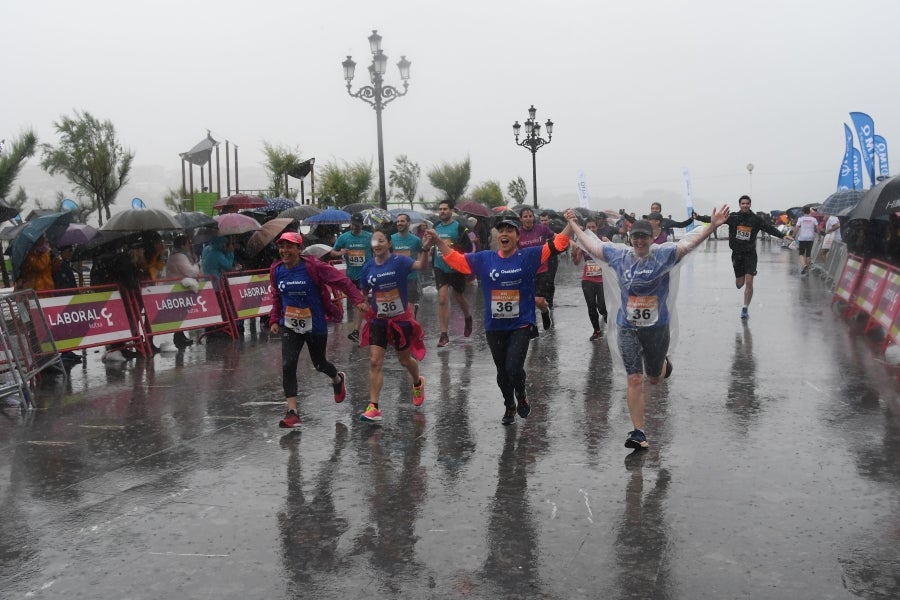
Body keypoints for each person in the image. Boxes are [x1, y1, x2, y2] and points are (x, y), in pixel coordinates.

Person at [565, 205, 731, 450]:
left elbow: (689, 244)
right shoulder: (619, 256)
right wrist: (574, 225)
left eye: (644, 237)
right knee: (635, 378)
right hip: (628, 328)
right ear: (630, 239)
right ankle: (638, 432)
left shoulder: (663, 255)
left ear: (652, 239)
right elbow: (592, 246)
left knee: (653, 378)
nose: (639, 241)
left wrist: (712, 225)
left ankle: (664, 365)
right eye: (635, 237)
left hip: (656, 328)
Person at [424, 216, 570, 426]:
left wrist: (570, 224)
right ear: (496, 236)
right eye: (501, 231)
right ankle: (509, 404)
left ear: (517, 237)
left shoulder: (528, 256)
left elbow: (558, 244)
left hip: (520, 323)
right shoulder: (485, 258)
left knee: (514, 368)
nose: (504, 234)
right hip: (495, 326)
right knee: (502, 373)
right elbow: (457, 260)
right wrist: (438, 241)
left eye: (510, 230)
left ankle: (521, 394)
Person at [268, 232, 368, 429]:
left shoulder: (313, 267)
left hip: (314, 324)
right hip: (290, 325)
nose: (284, 251)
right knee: (288, 365)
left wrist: (357, 300)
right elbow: (277, 296)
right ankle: (292, 412)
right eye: (281, 247)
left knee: (320, 364)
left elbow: (342, 281)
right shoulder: (276, 270)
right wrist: (274, 319)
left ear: (299, 249)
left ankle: (337, 379)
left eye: (289, 247)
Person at [357, 229, 430, 424]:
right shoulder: (368, 267)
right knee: (375, 361)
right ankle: (374, 407)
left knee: (404, 360)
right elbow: (362, 293)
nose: (377, 244)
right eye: (374, 241)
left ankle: (417, 382)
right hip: (379, 319)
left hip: (400, 319)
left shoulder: (400, 261)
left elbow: (421, 266)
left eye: (381, 240)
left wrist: (425, 249)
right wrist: (362, 302)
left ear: (389, 243)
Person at [695, 195, 792, 319]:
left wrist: (782, 236)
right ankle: (740, 281)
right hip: (737, 255)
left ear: (750, 205)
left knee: (749, 282)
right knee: (740, 283)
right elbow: (714, 219)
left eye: (747, 203)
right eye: (743, 203)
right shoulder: (733, 217)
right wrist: (698, 217)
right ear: (740, 205)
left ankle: (745, 308)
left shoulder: (756, 219)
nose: (745, 205)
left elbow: (769, 228)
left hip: (750, 254)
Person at [430, 200, 474, 347]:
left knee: (459, 297)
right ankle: (444, 335)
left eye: (445, 209)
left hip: (455, 268)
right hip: (440, 267)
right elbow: (431, 243)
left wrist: (454, 247)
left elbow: (468, 247)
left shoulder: (459, 228)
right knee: (442, 299)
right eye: (440, 209)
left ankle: (467, 317)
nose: (442, 211)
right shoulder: (436, 226)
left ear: (451, 211)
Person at [332, 212, 372, 343]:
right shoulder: (344, 237)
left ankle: (356, 331)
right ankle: (373, 323)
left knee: (361, 301)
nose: (355, 227)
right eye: (353, 225)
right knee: (359, 304)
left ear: (362, 225)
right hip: (351, 276)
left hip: (366, 275)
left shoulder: (369, 237)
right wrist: (340, 253)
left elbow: (379, 249)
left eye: (358, 225)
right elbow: (333, 251)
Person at [517, 207, 555, 330]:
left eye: (530, 216)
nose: (528, 219)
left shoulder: (542, 229)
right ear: (520, 219)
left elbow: (556, 237)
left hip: (541, 270)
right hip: (526, 272)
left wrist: (570, 242)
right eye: (525, 216)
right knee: (527, 301)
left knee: (538, 301)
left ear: (534, 217)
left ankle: (545, 311)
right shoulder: (517, 233)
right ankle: (532, 326)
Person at [571, 218, 607, 341]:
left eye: (593, 227)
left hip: (602, 280)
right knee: (591, 306)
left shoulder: (603, 240)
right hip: (588, 279)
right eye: (589, 227)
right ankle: (596, 331)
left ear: (597, 228)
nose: (591, 229)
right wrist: (573, 254)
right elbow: (576, 262)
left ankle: (608, 319)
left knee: (602, 306)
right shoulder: (582, 242)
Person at [165, 234, 200, 349]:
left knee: (180, 313)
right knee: (179, 313)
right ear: (183, 245)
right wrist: (196, 264)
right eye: (188, 243)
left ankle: (180, 335)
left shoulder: (178, 255)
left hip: (178, 288)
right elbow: (191, 272)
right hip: (177, 289)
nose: (190, 245)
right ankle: (178, 337)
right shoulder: (179, 256)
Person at [390, 213, 425, 318]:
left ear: (408, 223)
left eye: (402, 221)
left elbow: (422, 252)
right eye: (398, 221)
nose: (399, 223)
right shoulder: (391, 239)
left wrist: (418, 263)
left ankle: (412, 324)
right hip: (395, 277)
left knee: (410, 306)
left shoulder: (416, 240)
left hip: (411, 277)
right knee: (397, 306)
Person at [794, 206, 819, 276]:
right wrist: (819, 236)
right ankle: (807, 270)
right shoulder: (813, 219)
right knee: (808, 254)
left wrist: (793, 236)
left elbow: (797, 228)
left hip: (802, 238)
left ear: (803, 212)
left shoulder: (800, 219)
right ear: (809, 211)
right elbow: (817, 228)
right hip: (811, 238)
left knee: (801, 254)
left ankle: (804, 266)